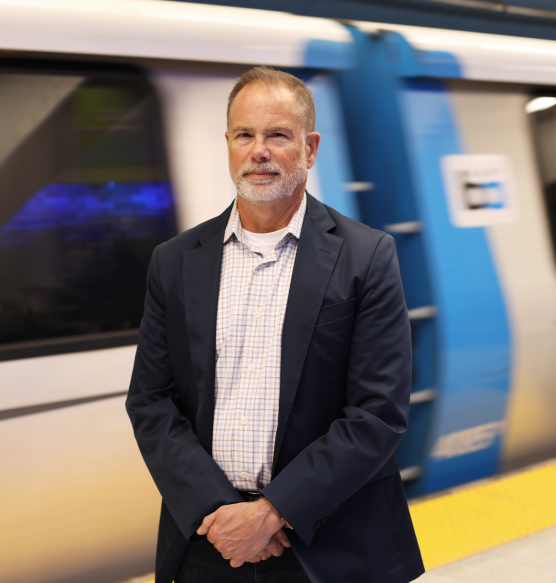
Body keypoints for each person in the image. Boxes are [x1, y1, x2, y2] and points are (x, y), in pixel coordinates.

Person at [126, 66, 424, 583]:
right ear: (228, 144)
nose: (258, 151)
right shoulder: (174, 261)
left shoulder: (367, 256)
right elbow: (151, 402)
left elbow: (378, 412)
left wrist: (270, 513)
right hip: (208, 541)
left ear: (310, 149)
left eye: (278, 135)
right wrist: (219, 514)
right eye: (245, 135)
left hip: (332, 542)